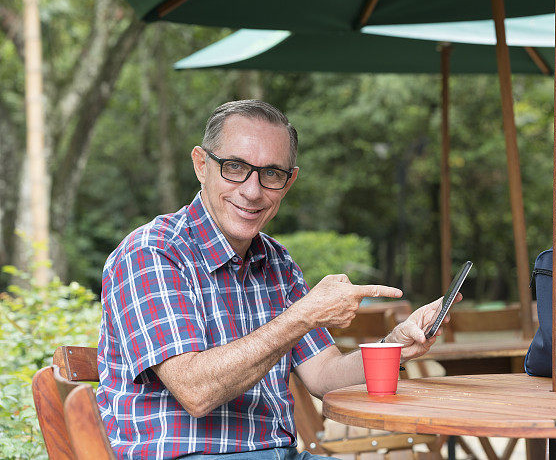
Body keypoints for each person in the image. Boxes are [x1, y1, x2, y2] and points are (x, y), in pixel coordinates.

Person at [96, 99, 451, 459]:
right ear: (201, 165)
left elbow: (324, 376)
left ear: (289, 180)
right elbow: (195, 391)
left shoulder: (277, 262)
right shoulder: (153, 253)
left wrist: (396, 345)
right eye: (235, 167)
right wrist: (303, 315)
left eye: (271, 174)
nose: (252, 191)